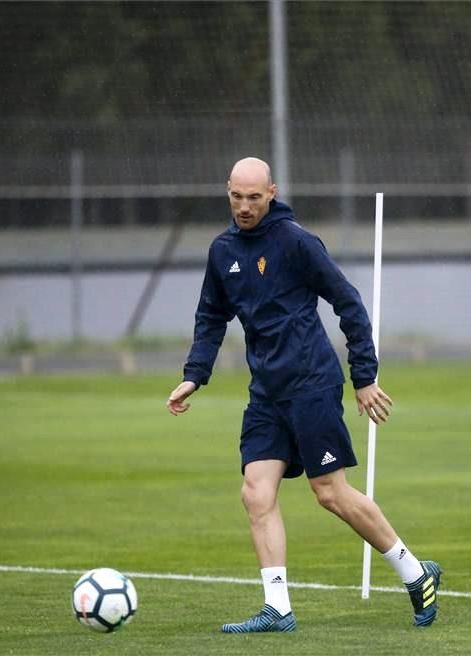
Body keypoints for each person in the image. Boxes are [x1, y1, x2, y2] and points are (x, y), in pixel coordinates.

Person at [166, 157, 442, 632]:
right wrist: (195, 373)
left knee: (330, 493)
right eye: (237, 196)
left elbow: (347, 301)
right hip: (266, 393)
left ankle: (415, 573)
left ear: (271, 192)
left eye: (255, 197)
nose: (245, 206)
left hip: (312, 383)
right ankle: (279, 608)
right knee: (256, 492)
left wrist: (364, 376)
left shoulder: (296, 241)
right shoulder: (222, 251)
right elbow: (211, 316)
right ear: (227, 191)